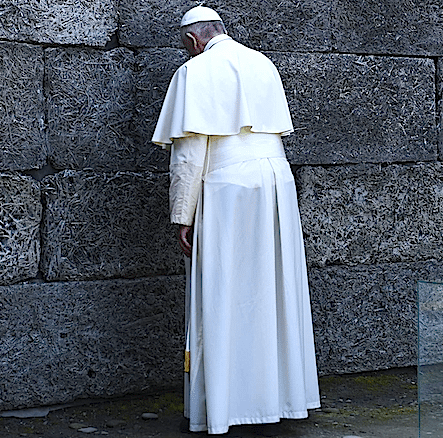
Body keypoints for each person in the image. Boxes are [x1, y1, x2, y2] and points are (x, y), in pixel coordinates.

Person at [151, 5, 320, 435]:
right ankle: (280, 400)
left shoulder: (194, 72)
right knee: (273, 292)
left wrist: (182, 216)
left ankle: (227, 407)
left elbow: (189, 156)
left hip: (227, 189)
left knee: (224, 295)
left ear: (192, 40)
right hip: (276, 183)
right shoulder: (263, 63)